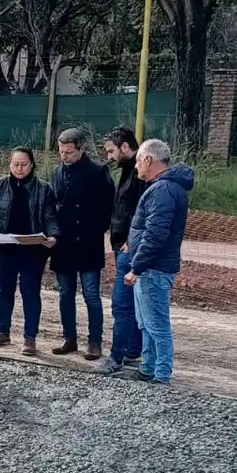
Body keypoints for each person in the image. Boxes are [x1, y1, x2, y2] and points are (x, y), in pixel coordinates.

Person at [118, 138, 195, 386]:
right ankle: (148, 367)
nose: (137, 166)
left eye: (139, 160)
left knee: (156, 324)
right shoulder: (166, 187)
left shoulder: (163, 190)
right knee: (145, 322)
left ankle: (161, 374)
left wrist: (136, 267)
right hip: (152, 266)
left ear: (149, 160)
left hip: (153, 268)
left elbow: (155, 234)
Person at [0, 147, 59, 356]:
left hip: (32, 251)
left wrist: (53, 236)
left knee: (30, 293)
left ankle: (30, 338)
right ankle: (2, 331)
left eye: (24, 164)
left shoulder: (44, 189)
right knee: (4, 292)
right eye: (16, 164)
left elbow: (50, 217)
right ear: (10, 165)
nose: (19, 168)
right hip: (3, 249)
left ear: (32, 164)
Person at [48, 127, 114, 360]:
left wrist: (95, 230)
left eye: (68, 152)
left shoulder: (98, 172)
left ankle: (95, 342)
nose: (64, 157)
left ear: (81, 149)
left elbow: (108, 208)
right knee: (65, 293)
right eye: (61, 152)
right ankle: (69, 338)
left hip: (88, 243)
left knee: (91, 295)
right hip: (64, 244)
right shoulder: (57, 172)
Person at [96, 127, 147, 374]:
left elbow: (145, 211)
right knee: (132, 304)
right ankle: (132, 351)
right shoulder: (128, 170)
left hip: (130, 248)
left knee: (122, 305)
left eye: (111, 151)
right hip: (122, 246)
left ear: (125, 147)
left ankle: (116, 358)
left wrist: (132, 240)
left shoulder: (140, 173)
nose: (109, 156)